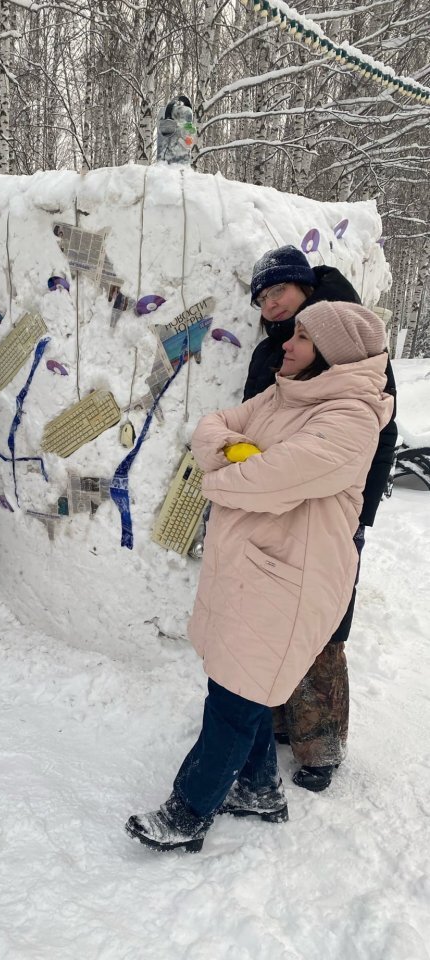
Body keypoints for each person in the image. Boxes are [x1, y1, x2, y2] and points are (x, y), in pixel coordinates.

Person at [125, 301, 394, 852]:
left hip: (291, 577)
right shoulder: (284, 393)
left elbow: (269, 481)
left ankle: (187, 812)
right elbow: (212, 426)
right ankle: (259, 790)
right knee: (236, 682)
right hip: (251, 567)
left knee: (235, 700)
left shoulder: (351, 417)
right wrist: (236, 451)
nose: (286, 344)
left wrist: (218, 475)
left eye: (302, 337)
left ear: (333, 354)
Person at [245, 246, 398, 791]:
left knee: (324, 623)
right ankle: (280, 720)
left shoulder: (346, 337)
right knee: (276, 615)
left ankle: (321, 746)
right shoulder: (271, 350)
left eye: (278, 290)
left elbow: (382, 433)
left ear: (304, 285)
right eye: (262, 298)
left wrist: (360, 514)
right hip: (279, 504)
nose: (271, 303)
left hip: (333, 510)